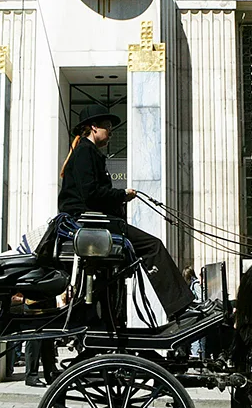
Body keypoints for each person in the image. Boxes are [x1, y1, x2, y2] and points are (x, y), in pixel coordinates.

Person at [58, 104, 193, 316]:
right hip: (90, 226)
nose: (111, 131)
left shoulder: (87, 152)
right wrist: (122, 195)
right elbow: (91, 195)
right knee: (152, 246)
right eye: (107, 127)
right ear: (94, 127)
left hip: (94, 225)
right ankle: (180, 307)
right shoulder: (85, 152)